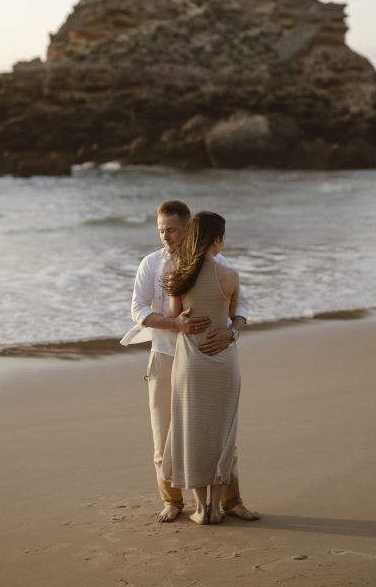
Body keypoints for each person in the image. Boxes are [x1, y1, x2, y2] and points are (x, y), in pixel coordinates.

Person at [121, 200, 259, 523]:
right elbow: (138, 309)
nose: (165, 237)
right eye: (161, 231)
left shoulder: (218, 262)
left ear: (188, 229)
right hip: (165, 355)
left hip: (206, 358)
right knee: (164, 436)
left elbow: (241, 307)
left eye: (171, 230)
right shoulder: (152, 264)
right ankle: (172, 501)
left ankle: (232, 501)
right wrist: (175, 324)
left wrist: (231, 333)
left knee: (218, 434)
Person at [161, 211, 241, 525]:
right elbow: (233, 316)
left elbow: (174, 318)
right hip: (223, 362)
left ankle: (199, 509)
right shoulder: (230, 275)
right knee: (222, 434)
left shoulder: (178, 275)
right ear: (217, 239)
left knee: (190, 432)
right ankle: (217, 508)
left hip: (191, 363)